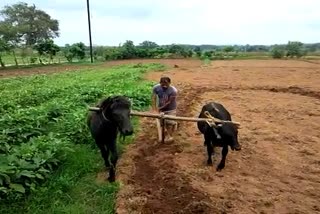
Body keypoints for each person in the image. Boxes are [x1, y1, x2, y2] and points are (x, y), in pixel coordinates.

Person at [151, 76, 178, 142]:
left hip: (170, 109)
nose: (164, 86)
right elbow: (153, 98)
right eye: (162, 84)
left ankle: (170, 136)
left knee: (169, 123)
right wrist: (154, 108)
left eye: (166, 84)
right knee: (162, 123)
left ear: (169, 83)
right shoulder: (156, 88)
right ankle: (166, 133)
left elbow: (169, 102)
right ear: (160, 83)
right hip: (161, 108)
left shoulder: (173, 91)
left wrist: (159, 108)